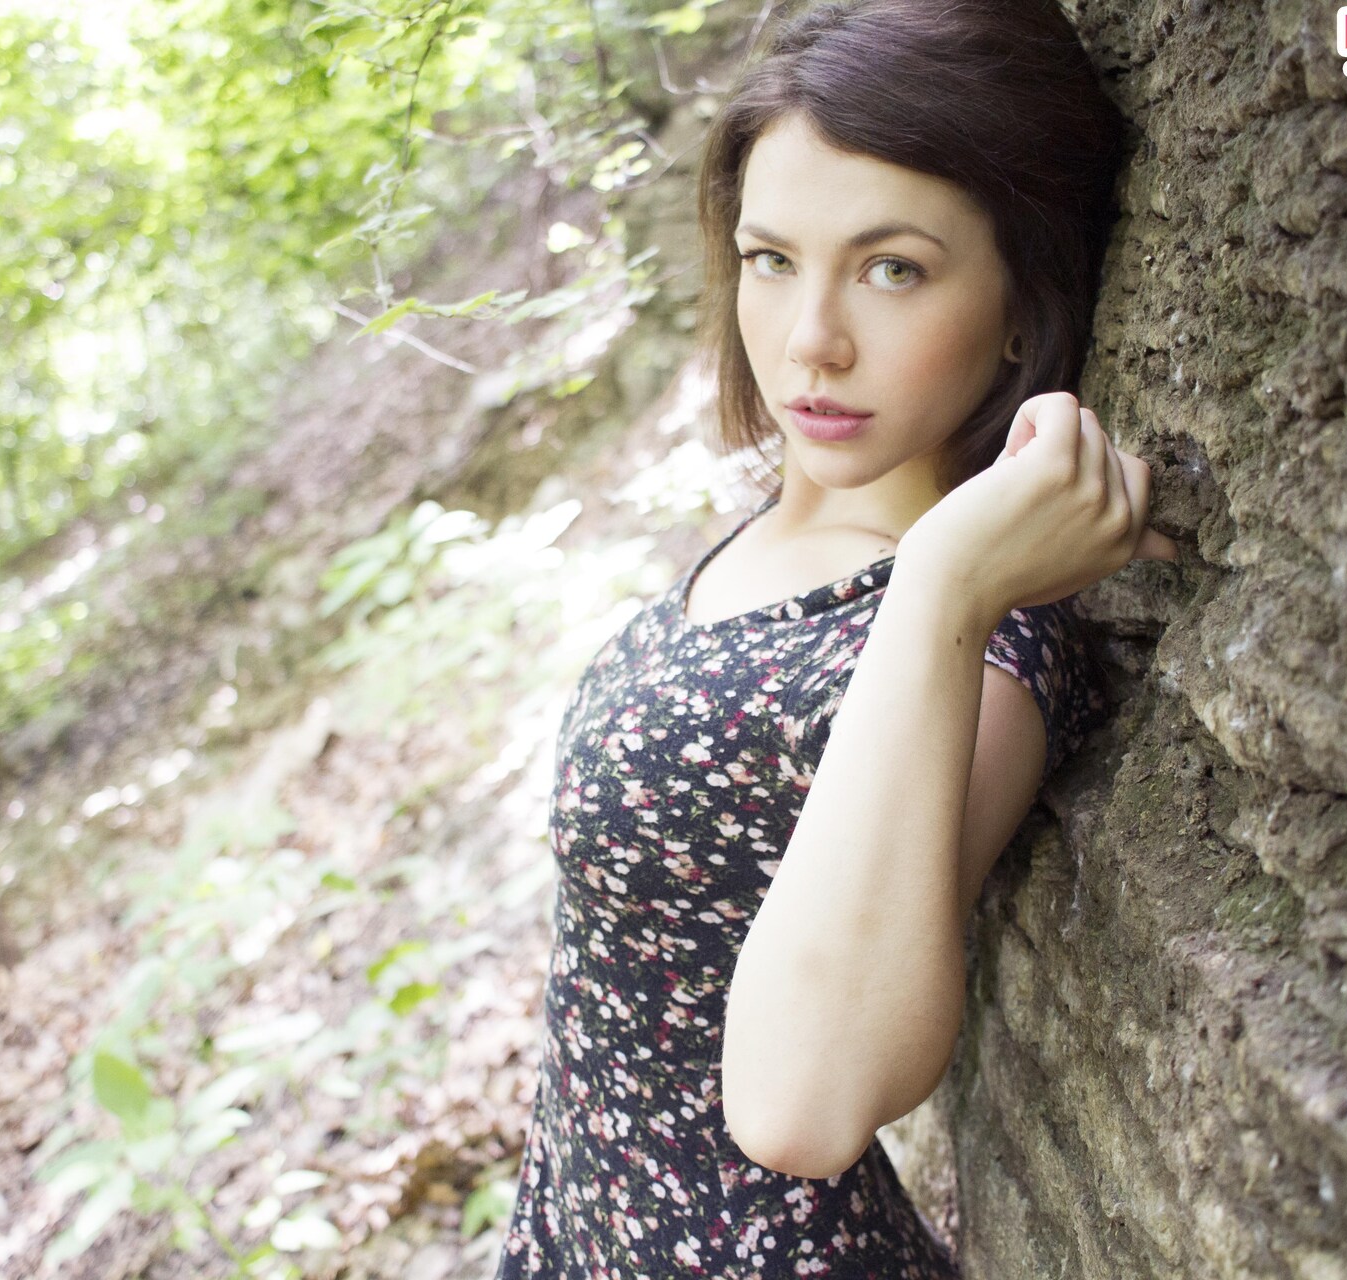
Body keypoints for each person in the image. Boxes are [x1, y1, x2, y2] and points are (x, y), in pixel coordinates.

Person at [495, 0, 1176, 1274]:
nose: (812, 339)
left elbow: (800, 1110)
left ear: (1022, 304)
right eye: (771, 259)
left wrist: (948, 580)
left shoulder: (979, 648)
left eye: (892, 268)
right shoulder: (784, 530)